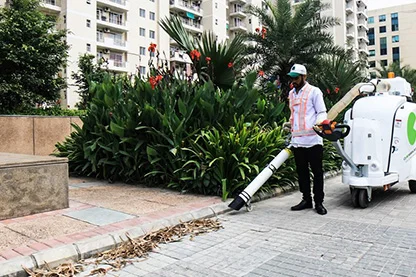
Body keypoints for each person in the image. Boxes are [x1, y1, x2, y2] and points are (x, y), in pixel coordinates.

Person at [286, 64, 328, 215]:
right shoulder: (291, 94)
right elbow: (295, 115)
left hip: (313, 140)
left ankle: (319, 202)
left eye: (296, 78)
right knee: (302, 172)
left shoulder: (314, 91)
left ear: (304, 77)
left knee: (317, 172)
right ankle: (306, 199)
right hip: (297, 141)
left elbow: (322, 112)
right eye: (292, 78)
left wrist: (319, 122)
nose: (294, 81)